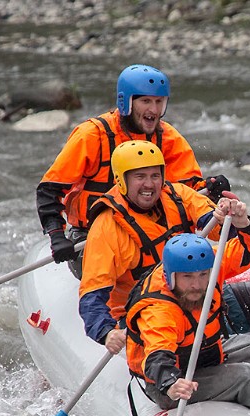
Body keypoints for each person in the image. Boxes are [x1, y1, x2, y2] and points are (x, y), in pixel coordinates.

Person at [78, 140, 250, 354]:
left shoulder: (177, 195)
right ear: (121, 180)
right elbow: (92, 293)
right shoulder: (106, 227)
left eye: (155, 176)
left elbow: (219, 229)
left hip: (192, 290)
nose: (149, 184)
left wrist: (230, 216)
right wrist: (106, 332)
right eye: (140, 177)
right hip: (149, 310)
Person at [126, 234, 250, 416]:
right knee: (247, 376)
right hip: (175, 384)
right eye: (187, 277)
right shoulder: (159, 310)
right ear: (171, 277)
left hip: (210, 357)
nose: (197, 285)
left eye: (203, 275)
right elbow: (157, 354)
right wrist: (170, 382)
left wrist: (244, 222)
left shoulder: (212, 266)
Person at [36, 64, 209, 275]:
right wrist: (56, 236)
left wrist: (211, 188)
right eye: (146, 101)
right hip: (92, 234)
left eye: (158, 102)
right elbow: (49, 191)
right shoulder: (91, 136)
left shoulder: (169, 138)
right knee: (122, 265)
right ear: (125, 102)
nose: (153, 110)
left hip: (151, 231)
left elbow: (191, 191)